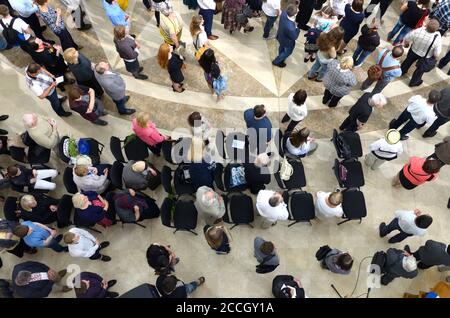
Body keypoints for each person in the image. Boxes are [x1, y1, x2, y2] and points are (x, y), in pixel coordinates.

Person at [401, 19, 442, 87]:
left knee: (407, 61)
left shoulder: (418, 31)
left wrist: (407, 44)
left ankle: (402, 71)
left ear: (427, 25)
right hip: (426, 56)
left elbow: (406, 38)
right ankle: (413, 82)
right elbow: (436, 54)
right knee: (420, 70)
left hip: (414, 50)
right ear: (436, 29)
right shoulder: (437, 38)